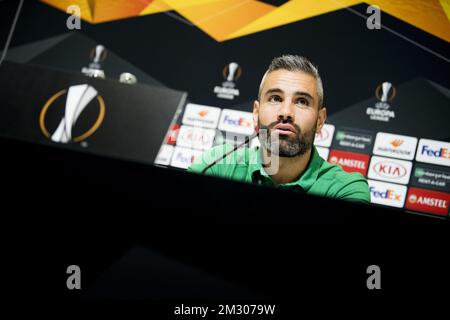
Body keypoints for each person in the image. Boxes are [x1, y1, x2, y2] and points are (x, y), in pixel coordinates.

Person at [188, 55, 370, 203]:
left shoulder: (345, 189)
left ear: (320, 120)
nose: (285, 112)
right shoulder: (218, 164)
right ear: (256, 112)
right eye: (275, 98)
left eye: (302, 101)